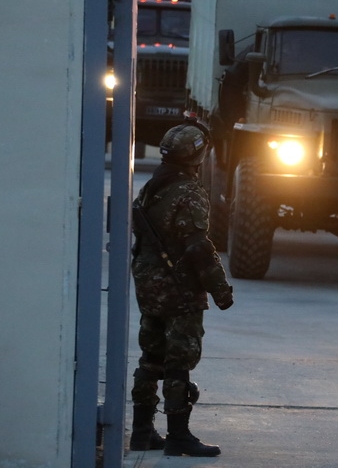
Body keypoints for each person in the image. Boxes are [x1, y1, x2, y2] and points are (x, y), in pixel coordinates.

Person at [129, 115, 234, 457]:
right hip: (178, 287)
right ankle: (178, 436)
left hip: (147, 284)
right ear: (197, 156)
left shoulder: (150, 188)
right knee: (179, 362)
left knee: (150, 358)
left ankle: (142, 434)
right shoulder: (189, 191)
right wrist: (221, 290)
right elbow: (198, 247)